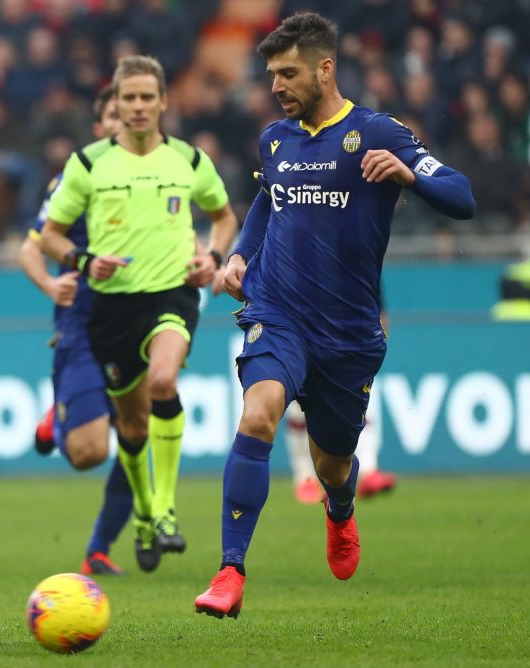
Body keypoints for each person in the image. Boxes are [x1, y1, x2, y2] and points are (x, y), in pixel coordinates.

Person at [194, 12, 474, 619]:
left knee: (333, 462)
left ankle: (340, 509)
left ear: (325, 69)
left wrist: (409, 175)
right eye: (272, 75)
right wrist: (239, 255)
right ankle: (230, 570)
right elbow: (267, 202)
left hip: (347, 333)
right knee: (259, 413)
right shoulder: (275, 140)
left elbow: (462, 196)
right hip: (278, 312)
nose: (276, 86)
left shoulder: (379, 132)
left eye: (288, 74)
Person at [39, 55, 238, 572]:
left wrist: (213, 257)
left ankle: (166, 509)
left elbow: (224, 216)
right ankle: (146, 514)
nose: (138, 106)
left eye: (147, 96)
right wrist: (85, 262)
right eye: (129, 97)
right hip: (111, 308)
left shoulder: (189, 160)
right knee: (130, 428)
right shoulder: (88, 164)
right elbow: (51, 236)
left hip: (172, 295)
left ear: (163, 101)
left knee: (163, 382)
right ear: (117, 102)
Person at [20, 83, 133, 576]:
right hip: (84, 322)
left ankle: (102, 546)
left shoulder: (163, 171)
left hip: (142, 321)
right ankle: (59, 421)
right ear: (99, 126)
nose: (125, 121)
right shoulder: (76, 175)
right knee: (90, 454)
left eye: (133, 111)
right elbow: (32, 246)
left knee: (140, 435)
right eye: (115, 115)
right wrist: (50, 284)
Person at [287, 300, 397, 504]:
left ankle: (368, 471)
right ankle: (305, 479)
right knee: (300, 403)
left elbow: (373, 292)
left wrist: (377, 320)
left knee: (359, 399)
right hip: (303, 327)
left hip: (346, 330)